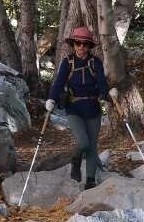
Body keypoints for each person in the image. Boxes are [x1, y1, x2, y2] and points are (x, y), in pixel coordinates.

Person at [45, 26, 116, 190]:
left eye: (85, 44)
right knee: (83, 143)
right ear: (73, 44)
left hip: (93, 109)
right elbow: (58, 83)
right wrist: (51, 99)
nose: (81, 47)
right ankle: (75, 160)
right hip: (74, 108)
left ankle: (90, 181)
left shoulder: (95, 62)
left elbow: (102, 83)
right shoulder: (67, 62)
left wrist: (108, 94)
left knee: (92, 147)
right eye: (78, 43)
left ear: (90, 46)